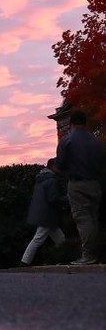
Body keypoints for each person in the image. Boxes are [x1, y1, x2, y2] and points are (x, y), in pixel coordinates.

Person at [54, 110, 103, 265]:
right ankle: (95, 252)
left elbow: (60, 164)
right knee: (93, 218)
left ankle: (88, 255)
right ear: (85, 123)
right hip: (95, 183)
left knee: (83, 218)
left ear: (71, 123)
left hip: (77, 183)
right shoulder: (95, 141)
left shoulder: (67, 140)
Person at [20, 158, 67, 266]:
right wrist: (67, 199)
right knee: (39, 238)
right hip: (48, 215)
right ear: (52, 166)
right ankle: (25, 261)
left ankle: (65, 257)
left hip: (44, 214)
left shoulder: (41, 179)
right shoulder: (52, 180)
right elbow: (53, 198)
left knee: (60, 239)